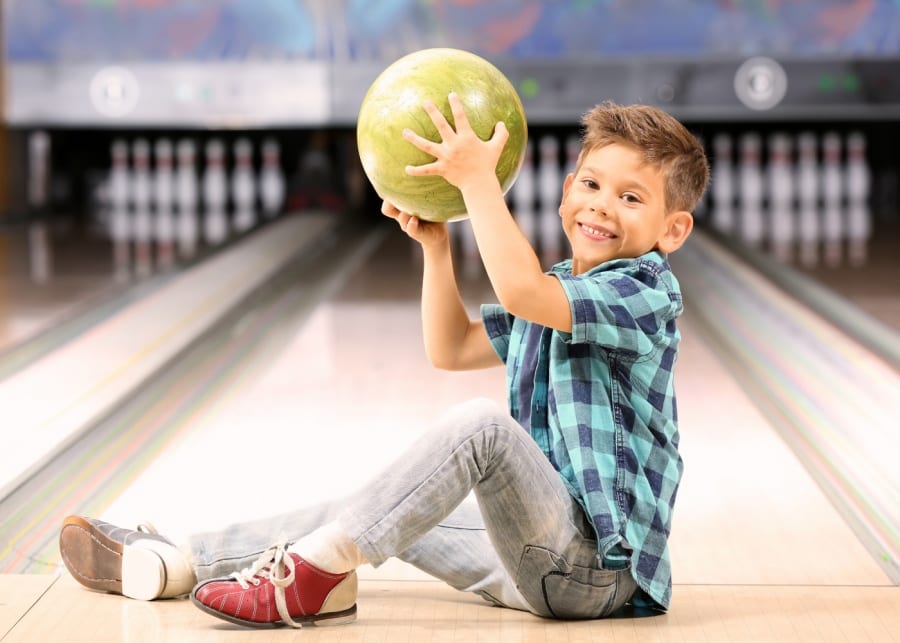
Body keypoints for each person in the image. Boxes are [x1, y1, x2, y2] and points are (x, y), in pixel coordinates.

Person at [59, 96, 709, 629]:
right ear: (568, 190)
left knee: (480, 426)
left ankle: (309, 577)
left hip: (595, 572)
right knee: (381, 505)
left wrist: (478, 181)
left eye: (631, 197)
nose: (600, 203)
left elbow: (520, 292)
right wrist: (436, 248)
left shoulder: (644, 290)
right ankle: (177, 561)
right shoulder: (562, 285)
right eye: (592, 184)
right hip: (533, 555)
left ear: (672, 229)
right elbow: (450, 347)